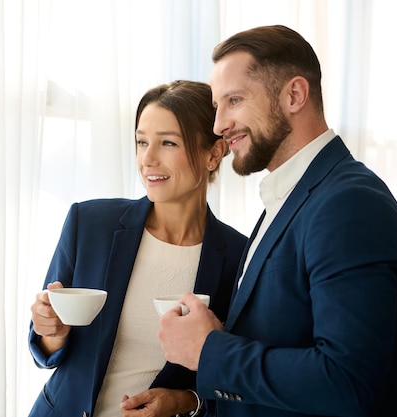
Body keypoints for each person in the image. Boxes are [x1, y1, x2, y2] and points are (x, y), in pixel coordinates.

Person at [158, 25, 397, 417]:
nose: (218, 125)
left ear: (294, 95)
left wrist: (210, 350)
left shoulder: (349, 203)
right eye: (217, 105)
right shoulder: (288, 199)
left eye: (235, 100)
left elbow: (347, 382)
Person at [27, 80, 247, 417]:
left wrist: (187, 401)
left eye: (168, 143)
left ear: (213, 153)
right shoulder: (89, 223)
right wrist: (50, 331)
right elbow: (45, 346)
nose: (148, 159)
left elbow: (237, 380)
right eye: (141, 142)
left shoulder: (239, 257)